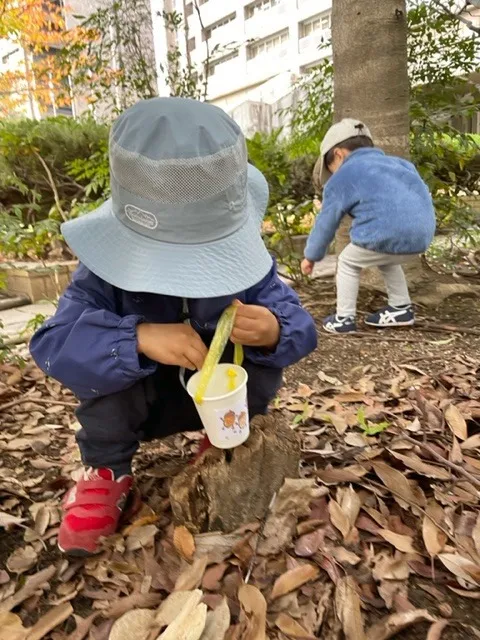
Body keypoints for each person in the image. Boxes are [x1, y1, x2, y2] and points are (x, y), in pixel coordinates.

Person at [30, 98, 317, 557]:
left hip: (216, 404)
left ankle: (221, 443)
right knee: (104, 360)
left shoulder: (251, 275)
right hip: (140, 401)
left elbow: (301, 325)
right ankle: (107, 473)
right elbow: (54, 344)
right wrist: (137, 338)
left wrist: (275, 330)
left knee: (260, 362)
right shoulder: (103, 275)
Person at [301, 119, 436, 334]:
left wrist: (311, 256)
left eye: (330, 167)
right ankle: (401, 307)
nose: (333, 173)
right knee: (386, 259)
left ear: (338, 154)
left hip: (384, 233)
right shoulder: (400, 164)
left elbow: (326, 222)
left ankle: (344, 318)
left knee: (347, 262)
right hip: (422, 235)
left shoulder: (344, 175)